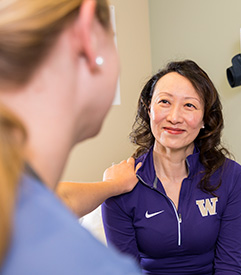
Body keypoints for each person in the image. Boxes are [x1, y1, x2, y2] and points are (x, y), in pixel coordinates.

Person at [0, 0, 141, 274]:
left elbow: (54, 199)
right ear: (87, 36)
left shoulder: (17, 190)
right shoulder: (98, 266)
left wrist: (111, 186)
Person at [102, 60, 241, 274]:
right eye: (164, 102)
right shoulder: (120, 185)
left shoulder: (230, 176)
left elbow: (229, 265)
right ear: (148, 108)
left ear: (205, 118)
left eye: (189, 105)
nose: (174, 117)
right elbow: (125, 270)